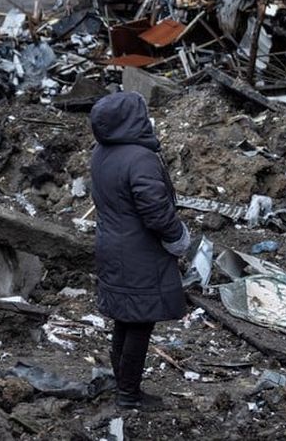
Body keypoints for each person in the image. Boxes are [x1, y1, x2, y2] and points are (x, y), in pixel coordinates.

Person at [89, 91, 191, 410]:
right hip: (139, 252)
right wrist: (178, 237)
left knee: (125, 318)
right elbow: (156, 211)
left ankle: (123, 384)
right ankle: (129, 394)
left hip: (112, 246)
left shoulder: (101, 152)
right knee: (140, 322)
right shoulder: (140, 158)